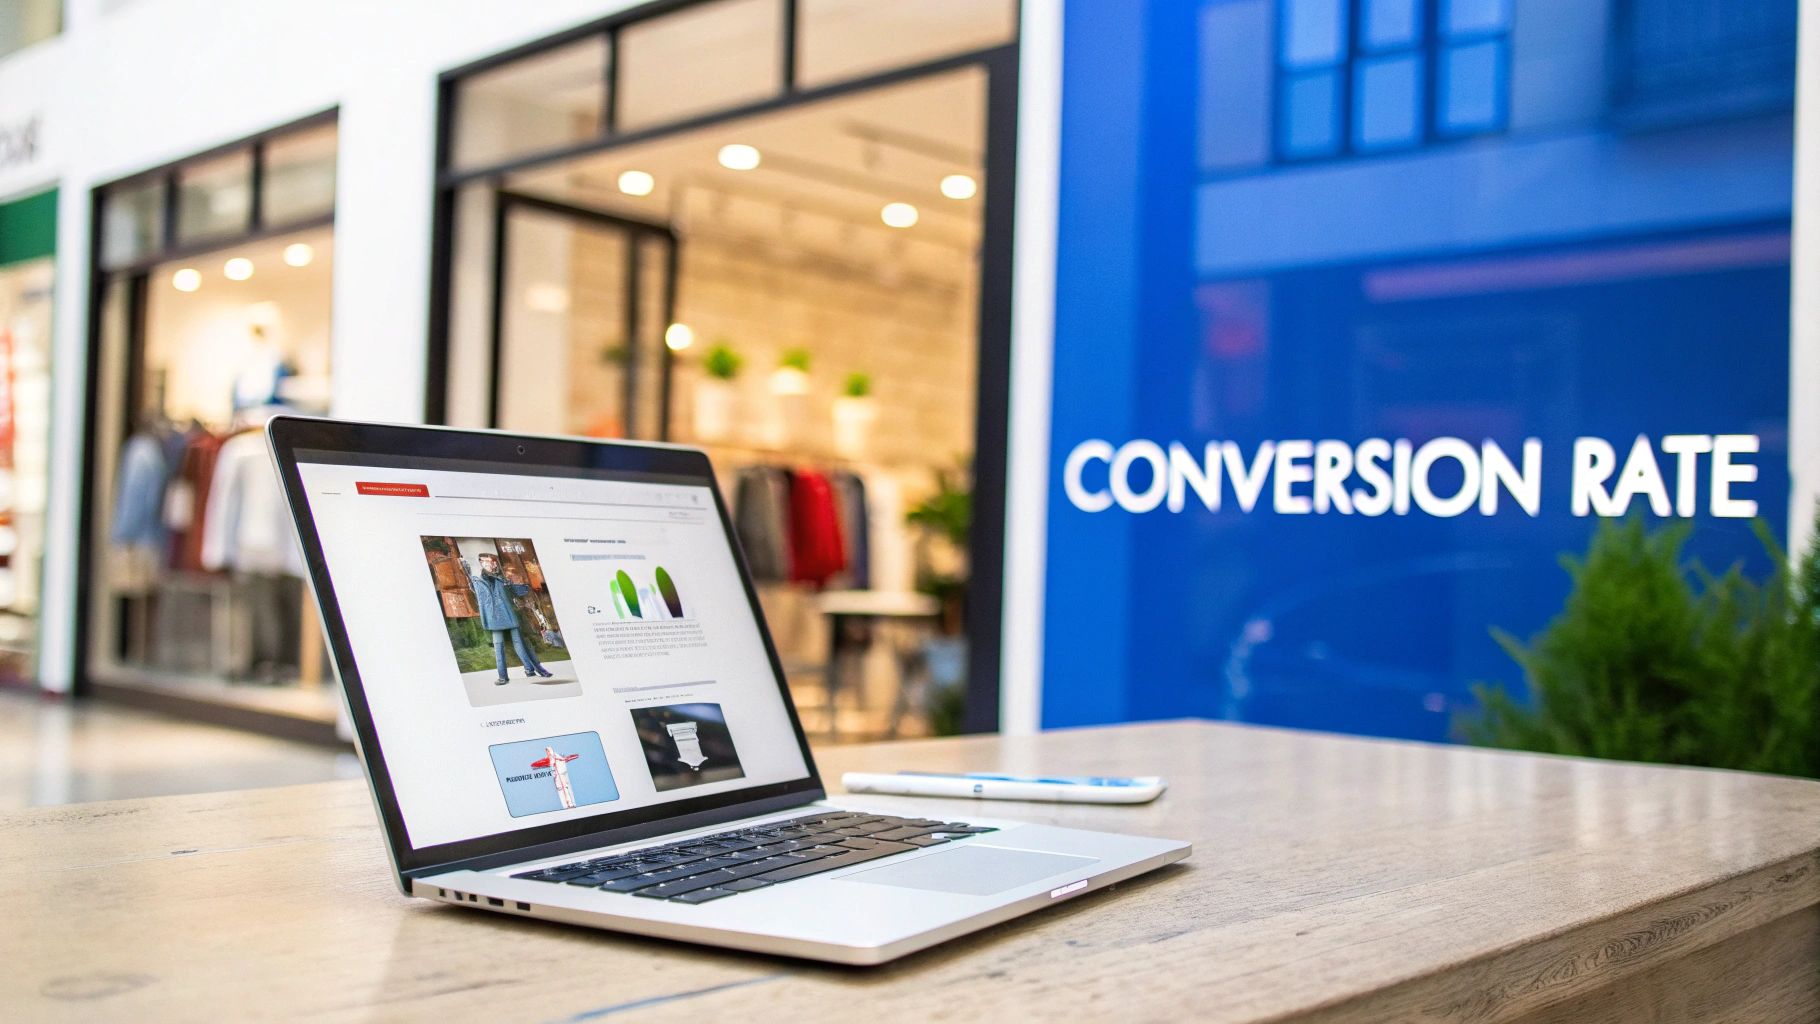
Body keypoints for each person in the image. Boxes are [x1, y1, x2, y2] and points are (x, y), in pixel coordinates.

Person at [464, 551, 553, 685]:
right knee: (499, 648)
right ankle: (503, 677)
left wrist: (523, 585)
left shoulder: (502, 579)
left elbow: (517, 591)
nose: (491, 564)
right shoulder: (481, 580)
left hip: (509, 616)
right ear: (481, 563)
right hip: (495, 618)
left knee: (521, 645)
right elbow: (479, 589)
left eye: (493, 561)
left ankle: (531, 670)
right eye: (487, 561)